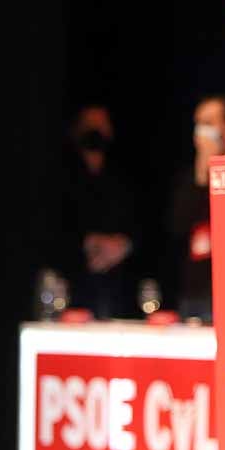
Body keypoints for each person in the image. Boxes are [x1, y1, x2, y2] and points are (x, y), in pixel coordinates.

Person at [53, 105, 136, 319]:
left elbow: (140, 225)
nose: (96, 131)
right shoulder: (61, 174)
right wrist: (87, 242)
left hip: (120, 288)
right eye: (90, 125)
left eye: (101, 125)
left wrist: (122, 245)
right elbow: (51, 226)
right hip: (73, 284)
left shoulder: (122, 176)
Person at [166, 94, 225, 323]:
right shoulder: (189, 178)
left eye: (208, 123)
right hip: (195, 291)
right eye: (198, 124)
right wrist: (201, 172)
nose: (201, 132)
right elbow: (178, 226)